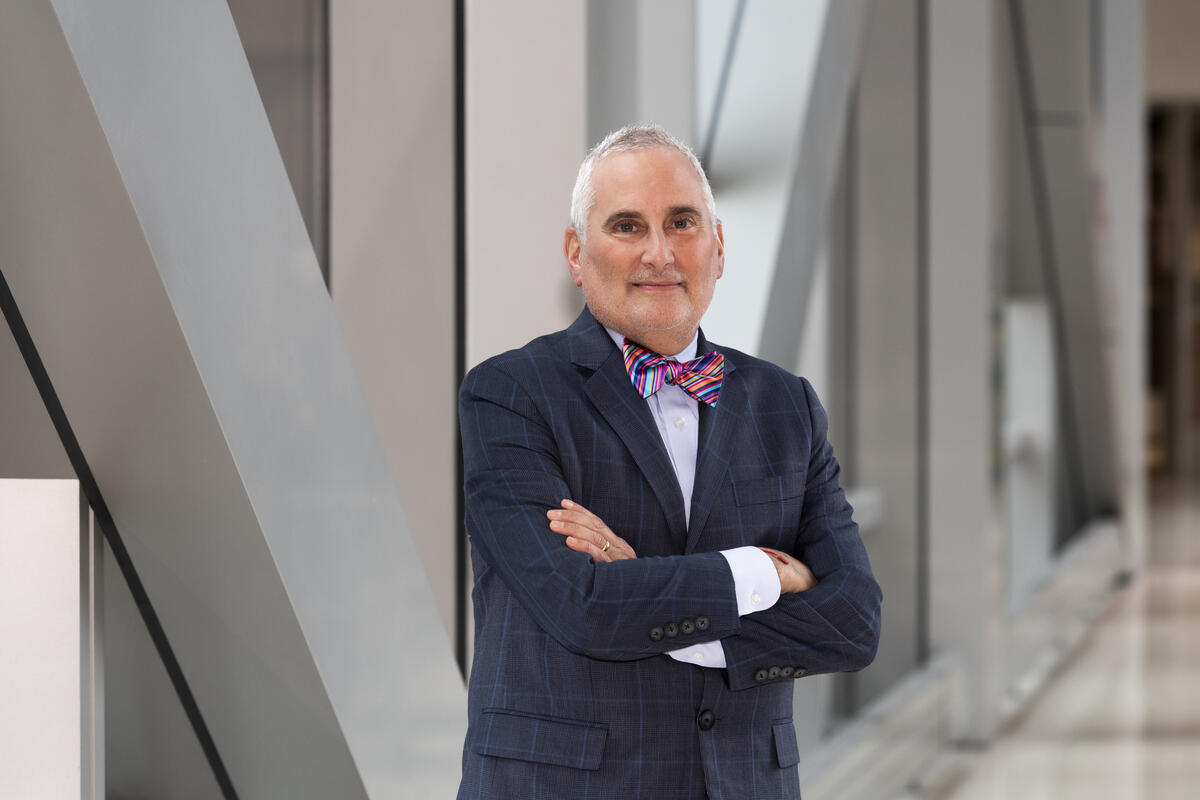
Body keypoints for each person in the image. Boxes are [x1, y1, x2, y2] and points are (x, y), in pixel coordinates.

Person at [456, 124, 881, 800]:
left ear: (719, 246)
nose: (659, 252)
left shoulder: (787, 404)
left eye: (681, 223)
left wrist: (649, 595)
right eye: (627, 226)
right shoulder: (509, 394)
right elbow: (581, 605)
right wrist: (764, 573)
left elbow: (855, 623)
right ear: (576, 253)